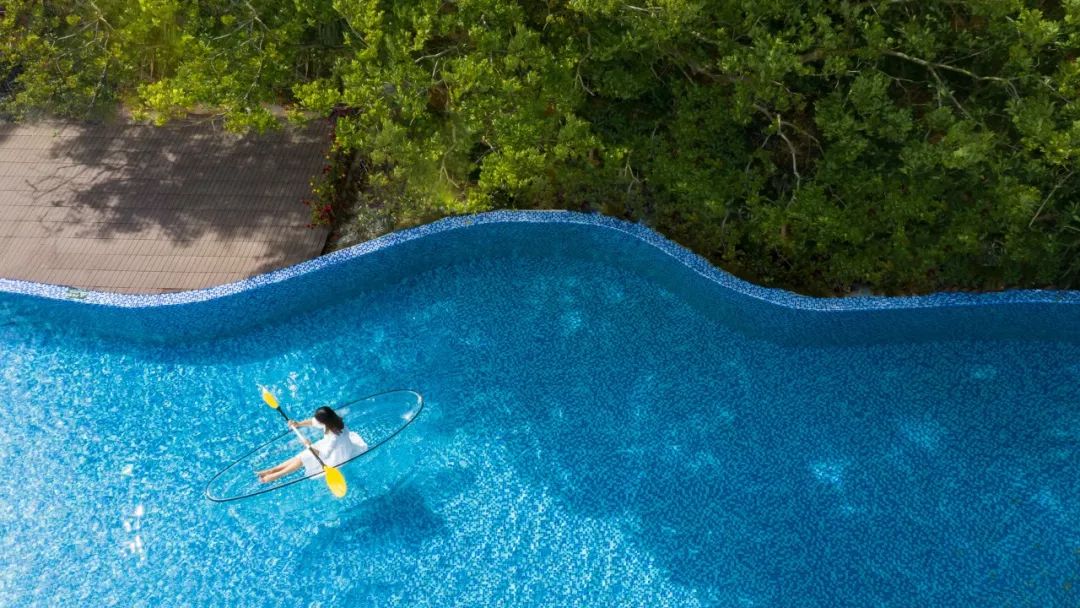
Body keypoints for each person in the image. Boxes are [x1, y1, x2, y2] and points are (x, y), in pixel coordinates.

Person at [256, 406, 368, 483]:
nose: (316, 420)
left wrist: (309, 445)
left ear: (325, 421)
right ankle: (272, 470)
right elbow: (313, 421)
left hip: (336, 454)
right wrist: (298, 423)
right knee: (301, 456)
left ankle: (276, 475)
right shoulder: (332, 420)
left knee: (304, 457)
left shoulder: (335, 436)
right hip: (328, 446)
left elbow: (325, 455)